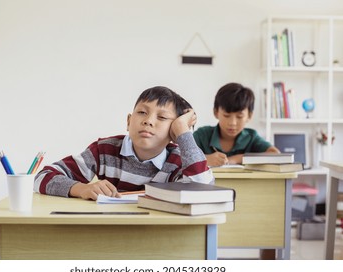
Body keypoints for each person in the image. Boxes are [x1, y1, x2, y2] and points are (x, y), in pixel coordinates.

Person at [34, 86, 214, 200]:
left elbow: (203, 190)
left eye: (162, 117)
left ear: (173, 131)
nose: (148, 121)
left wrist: (183, 131)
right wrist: (80, 188)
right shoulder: (104, 150)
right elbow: (41, 177)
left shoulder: (176, 160)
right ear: (129, 121)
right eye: (142, 112)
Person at [193, 82, 280, 167]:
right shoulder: (202, 135)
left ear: (249, 116)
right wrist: (205, 159)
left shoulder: (251, 137)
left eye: (239, 116)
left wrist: (238, 159)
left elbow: (275, 154)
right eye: (226, 115)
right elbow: (180, 157)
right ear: (216, 112)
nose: (232, 123)